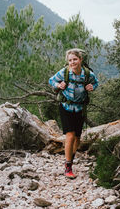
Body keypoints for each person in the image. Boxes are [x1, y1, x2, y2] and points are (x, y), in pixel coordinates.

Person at [49, 48, 99, 179]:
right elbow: (51, 81)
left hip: (80, 109)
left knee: (77, 138)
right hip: (66, 106)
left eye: (75, 59)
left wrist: (92, 87)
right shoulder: (64, 72)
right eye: (70, 60)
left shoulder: (87, 74)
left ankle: (70, 156)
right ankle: (68, 166)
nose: (72, 62)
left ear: (80, 60)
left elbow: (96, 82)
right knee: (70, 135)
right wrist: (58, 85)